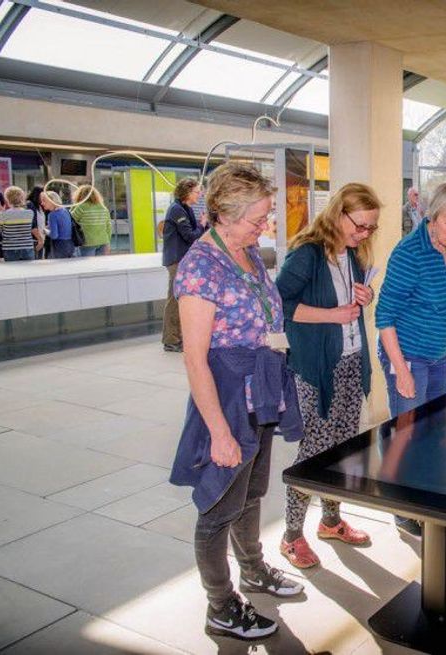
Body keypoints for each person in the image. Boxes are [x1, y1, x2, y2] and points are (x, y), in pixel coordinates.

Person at [169, 162, 304, 641]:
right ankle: (221, 606)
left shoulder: (247, 251)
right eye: (257, 219)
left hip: (260, 393)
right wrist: (220, 433)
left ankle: (253, 570)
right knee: (218, 509)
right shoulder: (201, 267)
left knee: (250, 495)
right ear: (224, 214)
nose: (263, 227)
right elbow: (195, 358)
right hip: (227, 400)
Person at [276, 183, 381, 568]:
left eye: (371, 228)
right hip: (318, 367)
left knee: (341, 446)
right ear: (339, 214)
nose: (364, 234)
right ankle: (290, 535)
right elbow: (280, 305)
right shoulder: (308, 253)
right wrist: (332, 314)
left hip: (351, 360)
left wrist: (363, 298)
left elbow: (348, 303)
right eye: (361, 225)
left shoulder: (350, 255)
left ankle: (331, 521)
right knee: (316, 449)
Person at [376, 181, 446, 536]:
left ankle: (426, 495)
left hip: (438, 353)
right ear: (432, 218)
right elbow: (384, 317)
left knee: (432, 428)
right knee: (407, 429)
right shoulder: (408, 253)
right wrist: (401, 370)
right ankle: (400, 503)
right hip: (407, 353)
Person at [162, 178, 207, 353]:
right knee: (175, 300)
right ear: (187, 192)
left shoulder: (185, 209)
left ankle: (178, 337)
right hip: (176, 260)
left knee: (181, 299)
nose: (200, 194)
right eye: (197, 191)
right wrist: (203, 224)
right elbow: (191, 235)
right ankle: (171, 340)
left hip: (183, 260)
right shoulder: (176, 210)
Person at [0, 186, 44, 262]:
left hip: (10, 249)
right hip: (27, 247)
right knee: (28, 272)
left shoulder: (2, 215)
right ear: (22, 198)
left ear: (7, 199)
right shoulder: (29, 213)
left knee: (13, 272)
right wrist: (41, 240)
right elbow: (33, 228)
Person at [71, 185, 111, 256]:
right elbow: (108, 227)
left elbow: (70, 220)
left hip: (88, 243)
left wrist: (74, 206)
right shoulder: (103, 208)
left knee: (89, 266)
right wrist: (108, 241)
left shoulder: (81, 207)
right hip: (103, 241)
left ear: (80, 195)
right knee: (101, 266)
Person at [40, 191, 74, 259]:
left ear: (52, 201)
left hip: (59, 246)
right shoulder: (65, 211)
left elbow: (54, 235)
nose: (42, 203)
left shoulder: (52, 215)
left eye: (44, 201)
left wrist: (44, 230)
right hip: (70, 244)